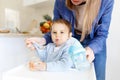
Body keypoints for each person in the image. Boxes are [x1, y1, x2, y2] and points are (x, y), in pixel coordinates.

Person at [26, 0, 114, 80]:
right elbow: (57, 27)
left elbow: (102, 34)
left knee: (97, 77)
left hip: (95, 42)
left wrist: (91, 49)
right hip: (70, 40)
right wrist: (42, 41)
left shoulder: (106, 2)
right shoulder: (60, 2)